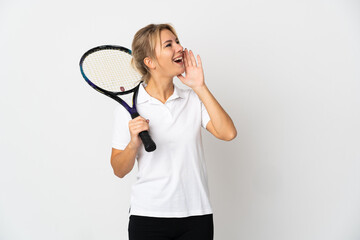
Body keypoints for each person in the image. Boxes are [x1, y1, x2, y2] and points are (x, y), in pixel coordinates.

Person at [110, 23, 237, 240]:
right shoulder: (130, 107)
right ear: (150, 62)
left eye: (177, 41)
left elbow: (228, 133)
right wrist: (133, 143)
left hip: (196, 216)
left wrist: (199, 86)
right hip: (148, 217)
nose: (179, 48)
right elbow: (119, 170)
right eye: (169, 44)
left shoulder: (192, 99)